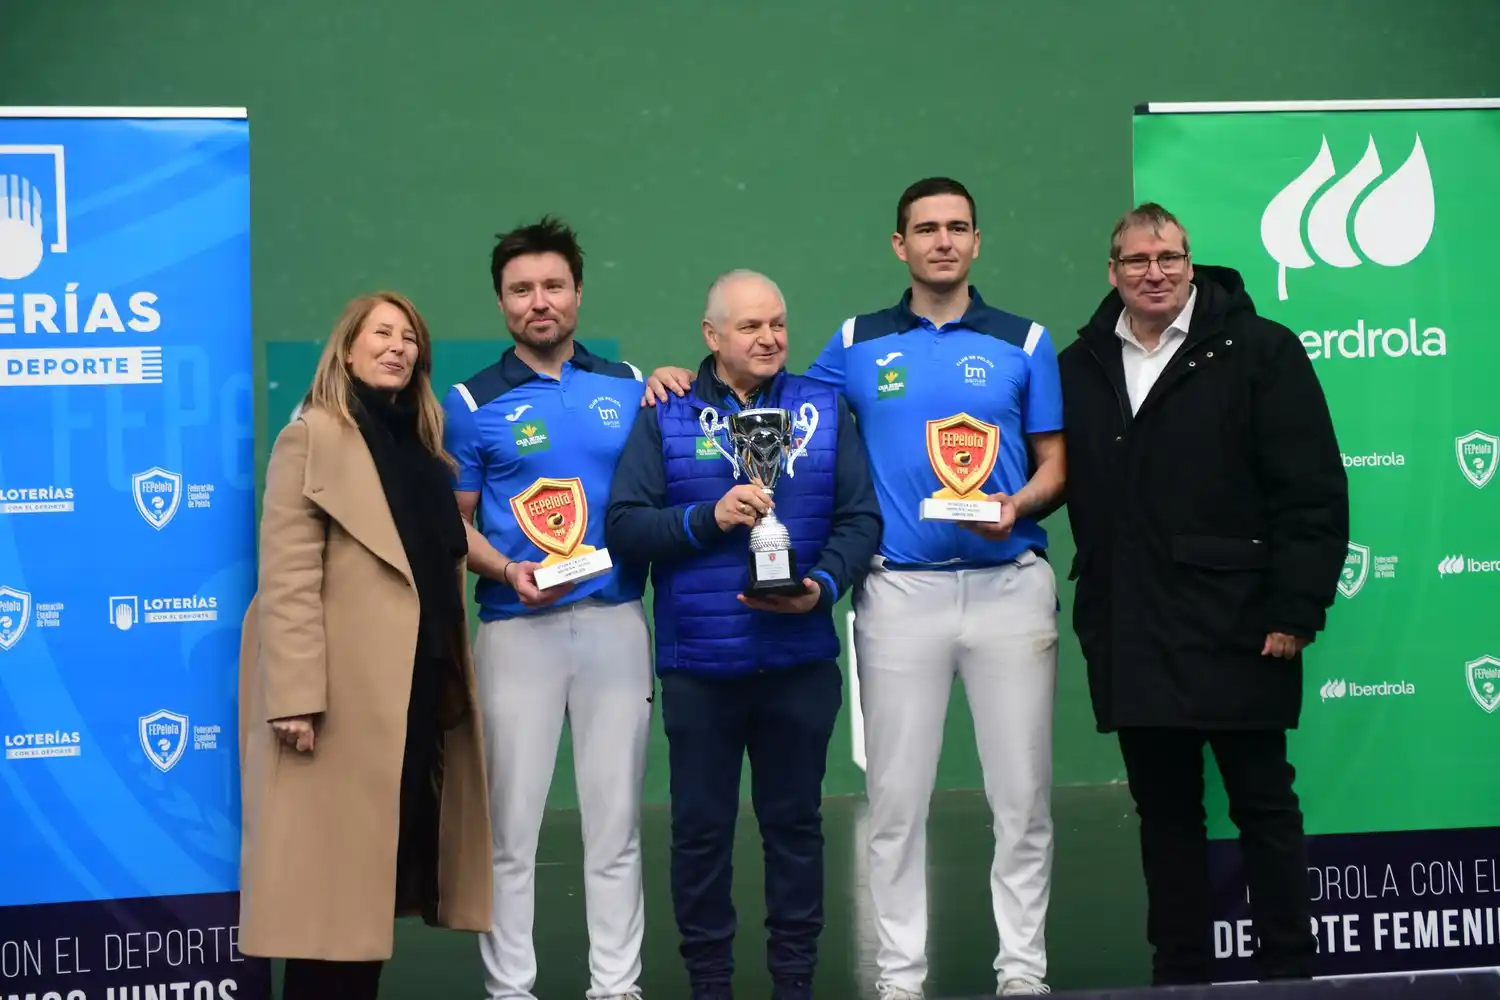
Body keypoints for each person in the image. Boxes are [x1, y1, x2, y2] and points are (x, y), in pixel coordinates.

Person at [640, 178, 1066, 999]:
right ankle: (900, 976)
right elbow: (764, 388)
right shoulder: (854, 342)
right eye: (924, 229)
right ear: (898, 245)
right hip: (897, 595)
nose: (942, 241)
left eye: (957, 228)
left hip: (1011, 585)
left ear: (977, 241)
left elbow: (1055, 464)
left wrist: (1018, 504)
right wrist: (676, 378)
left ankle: (1023, 972)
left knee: (1023, 798)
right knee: (895, 802)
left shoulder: (1028, 340)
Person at [1057, 203, 1348, 986]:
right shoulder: (1077, 364)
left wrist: (1297, 610)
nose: (1153, 273)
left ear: (1191, 263)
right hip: (1132, 629)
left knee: (1263, 805)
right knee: (1166, 815)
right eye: (1135, 261)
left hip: (1242, 627)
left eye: (1168, 258)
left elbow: (1312, 495)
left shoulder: (1262, 351)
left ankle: (1289, 971)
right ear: (1111, 271)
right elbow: (1047, 471)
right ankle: (1180, 973)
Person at [606, 270, 882, 1000]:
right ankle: (710, 984)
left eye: (778, 324)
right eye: (751, 327)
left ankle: (794, 982)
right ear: (712, 336)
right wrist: (709, 518)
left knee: (795, 829)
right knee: (700, 834)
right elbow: (626, 527)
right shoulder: (664, 412)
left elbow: (861, 520)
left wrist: (822, 585)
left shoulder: (823, 408)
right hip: (700, 665)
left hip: (800, 661)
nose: (769, 339)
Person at [237, 291, 492, 1000]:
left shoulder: (421, 451)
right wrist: (294, 695)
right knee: (329, 909)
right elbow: (287, 574)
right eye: (381, 333)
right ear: (346, 348)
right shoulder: (311, 436)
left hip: (408, 702)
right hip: (335, 707)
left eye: (409, 337)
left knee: (366, 905)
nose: (398, 346)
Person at [441, 216, 652, 1000]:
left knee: (615, 823)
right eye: (522, 289)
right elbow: (451, 522)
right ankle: (510, 991)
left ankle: (617, 987)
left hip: (615, 621)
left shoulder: (630, 387)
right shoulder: (470, 403)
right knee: (512, 830)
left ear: (578, 293)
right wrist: (507, 566)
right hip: (514, 630)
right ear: (502, 304)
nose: (540, 302)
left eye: (553, 286)